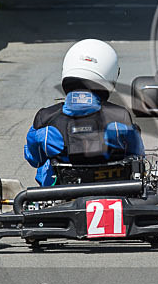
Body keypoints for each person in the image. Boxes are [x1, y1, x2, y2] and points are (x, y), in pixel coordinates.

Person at [24, 39, 144, 186]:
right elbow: (138, 155)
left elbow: (34, 159)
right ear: (110, 73)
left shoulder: (46, 120)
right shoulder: (120, 118)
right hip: (114, 193)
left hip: (59, 197)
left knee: (45, 165)